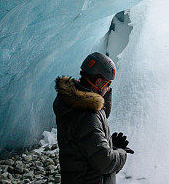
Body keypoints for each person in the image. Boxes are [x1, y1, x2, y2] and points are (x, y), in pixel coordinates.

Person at [53, 52, 132, 184]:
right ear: (99, 82)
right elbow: (105, 162)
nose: (108, 89)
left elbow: (86, 145)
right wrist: (121, 152)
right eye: (108, 84)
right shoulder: (87, 114)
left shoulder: (73, 103)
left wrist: (110, 144)